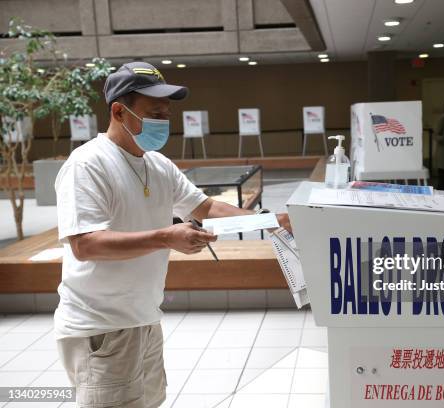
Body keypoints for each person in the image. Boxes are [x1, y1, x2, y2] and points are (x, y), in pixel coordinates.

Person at [54, 62, 291, 408]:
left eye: (166, 114)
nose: (164, 122)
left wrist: (268, 220)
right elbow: (85, 244)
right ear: (119, 111)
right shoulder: (88, 164)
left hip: (145, 319)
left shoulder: (157, 164)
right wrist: (166, 237)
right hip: (101, 328)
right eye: (154, 113)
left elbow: (205, 208)